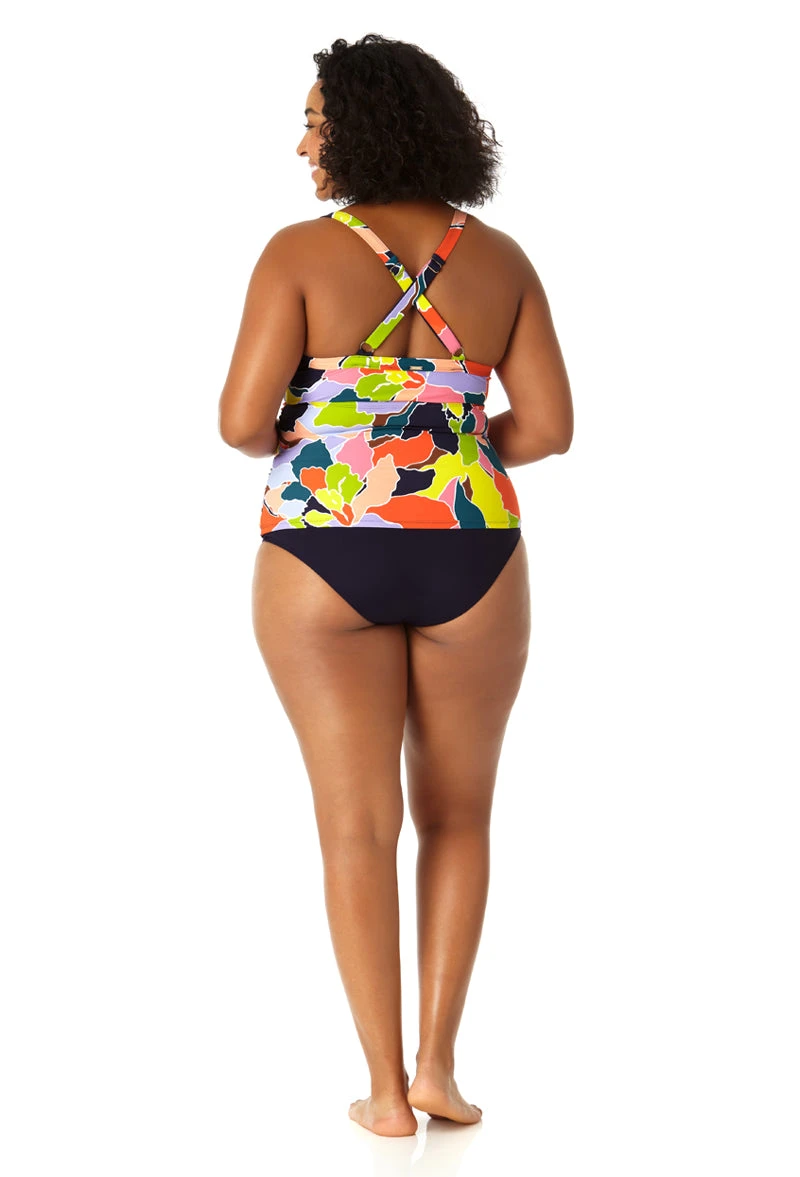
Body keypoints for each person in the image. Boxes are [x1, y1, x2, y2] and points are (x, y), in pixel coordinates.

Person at [218, 33, 573, 1137]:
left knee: (356, 825)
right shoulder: (501, 259)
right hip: (473, 552)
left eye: (315, 124)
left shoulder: (295, 253)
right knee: (458, 815)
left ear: (363, 129)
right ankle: (438, 1071)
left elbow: (240, 423)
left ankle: (379, 1091)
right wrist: (442, 445)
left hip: (323, 550)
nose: (302, 145)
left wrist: (341, 433)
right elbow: (548, 428)